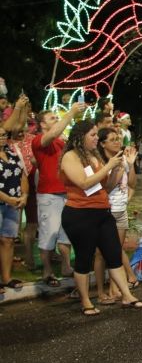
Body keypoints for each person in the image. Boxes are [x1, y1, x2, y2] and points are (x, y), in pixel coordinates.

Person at [59, 120, 142, 315]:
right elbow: (83, 183)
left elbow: (106, 187)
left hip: (102, 212)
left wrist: (121, 168)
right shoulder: (70, 157)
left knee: (114, 253)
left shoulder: (94, 156)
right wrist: (107, 166)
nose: (95, 139)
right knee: (84, 257)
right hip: (80, 214)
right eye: (92, 135)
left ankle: (127, 295)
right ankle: (86, 302)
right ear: (80, 136)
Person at [33, 101, 86, 287]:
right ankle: (47, 271)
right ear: (42, 124)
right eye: (52, 118)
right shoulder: (39, 140)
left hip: (66, 192)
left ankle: (66, 266)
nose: (56, 120)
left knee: (66, 233)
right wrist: (71, 112)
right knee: (49, 233)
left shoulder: (61, 140)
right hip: (49, 195)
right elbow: (52, 134)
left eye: (57, 117)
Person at [94, 128, 139, 304]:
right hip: (107, 210)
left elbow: (133, 184)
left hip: (121, 210)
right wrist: (116, 171)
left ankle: (114, 287)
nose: (117, 142)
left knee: (115, 252)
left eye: (118, 138)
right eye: (112, 139)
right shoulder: (100, 162)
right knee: (100, 253)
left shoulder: (122, 160)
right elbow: (105, 188)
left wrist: (131, 164)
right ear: (103, 143)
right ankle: (100, 291)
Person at [0, 126, 28, 292]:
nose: (2, 137)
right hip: (7, 201)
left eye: (4, 134)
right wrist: (8, 199)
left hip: (13, 204)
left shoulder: (12, 154)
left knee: (8, 240)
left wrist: (24, 195)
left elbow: (22, 175)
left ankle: (6, 278)